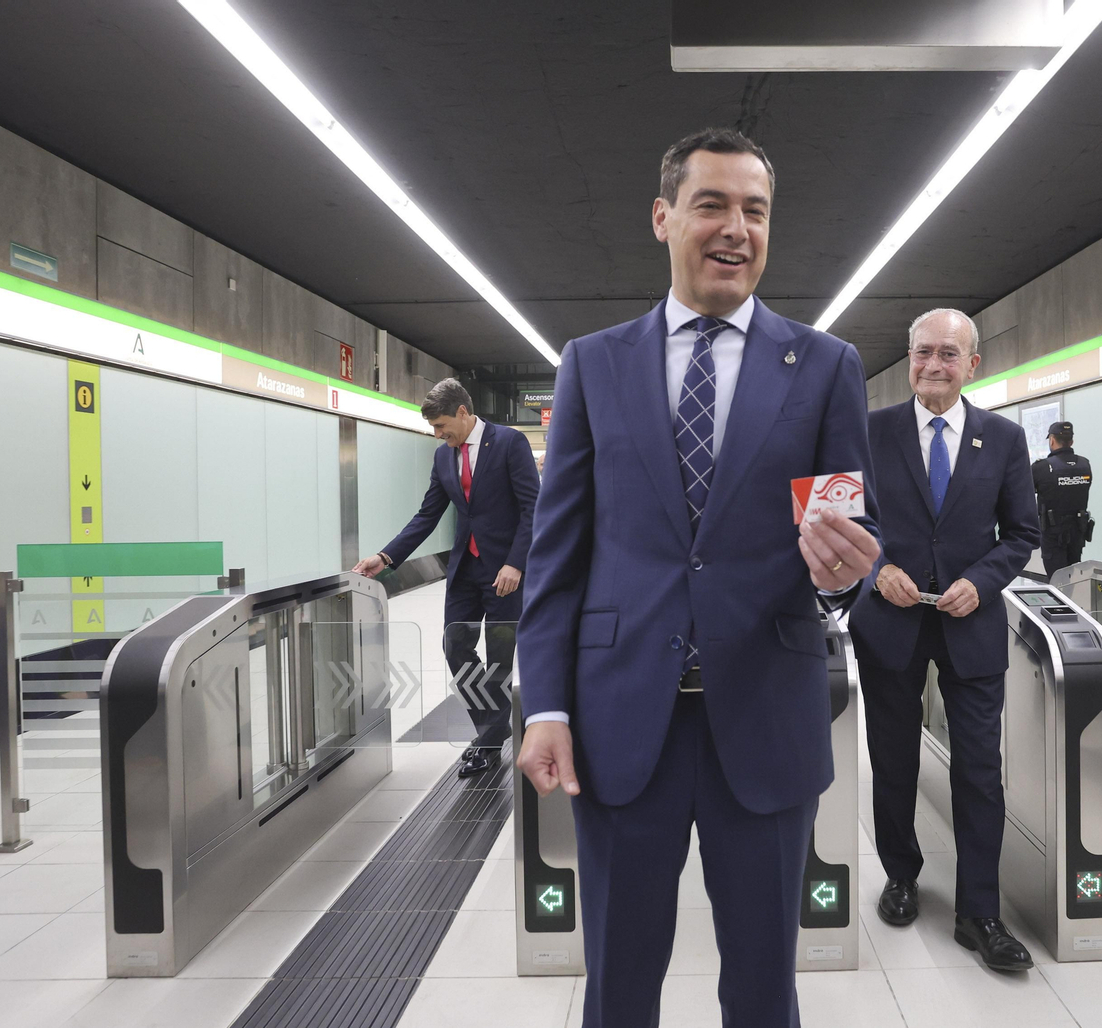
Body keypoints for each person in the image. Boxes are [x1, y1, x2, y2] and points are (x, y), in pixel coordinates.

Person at [515, 127, 881, 1027]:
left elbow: (842, 538)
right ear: (663, 217)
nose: (736, 228)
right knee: (619, 982)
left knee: (763, 985)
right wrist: (546, 706)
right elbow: (559, 555)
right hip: (620, 720)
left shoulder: (825, 366)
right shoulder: (594, 364)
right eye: (712, 204)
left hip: (763, 715)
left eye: (755, 211)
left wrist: (843, 578)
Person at [848, 308, 1040, 973]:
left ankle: (979, 912)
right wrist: (879, 571)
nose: (934, 365)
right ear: (909, 357)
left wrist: (983, 583)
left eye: (948, 355)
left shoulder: (1005, 440)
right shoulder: (869, 433)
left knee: (980, 772)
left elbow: (1021, 533)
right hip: (889, 627)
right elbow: (844, 521)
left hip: (972, 626)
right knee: (893, 761)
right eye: (923, 352)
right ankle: (901, 875)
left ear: (972, 364)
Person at [352, 379, 539, 778]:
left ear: (462, 412)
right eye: (434, 429)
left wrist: (516, 563)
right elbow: (427, 514)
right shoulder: (443, 457)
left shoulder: (509, 443)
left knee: (499, 657)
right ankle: (495, 726)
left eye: (441, 426)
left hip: (505, 573)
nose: (438, 435)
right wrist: (386, 557)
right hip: (465, 570)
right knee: (455, 648)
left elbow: (532, 507)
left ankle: (487, 741)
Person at [1031, 420, 1093, 578]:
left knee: (1056, 582)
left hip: (1053, 537)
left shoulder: (1041, 468)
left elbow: (1024, 495)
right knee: (1074, 580)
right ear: (1071, 441)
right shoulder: (1085, 465)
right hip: (1078, 535)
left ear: (1051, 440)